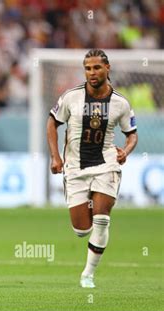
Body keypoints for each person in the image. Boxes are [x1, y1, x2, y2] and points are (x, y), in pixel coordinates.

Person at [46, 49, 138, 288]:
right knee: (81, 229)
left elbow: (132, 135)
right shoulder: (71, 97)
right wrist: (55, 157)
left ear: (107, 68)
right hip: (75, 168)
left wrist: (124, 152)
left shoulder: (120, 103)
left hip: (106, 165)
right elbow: (52, 123)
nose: (92, 73)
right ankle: (89, 202)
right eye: (88, 68)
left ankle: (88, 274)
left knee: (101, 220)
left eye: (97, 67)